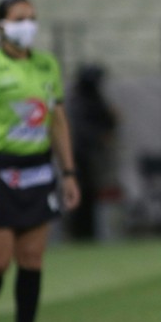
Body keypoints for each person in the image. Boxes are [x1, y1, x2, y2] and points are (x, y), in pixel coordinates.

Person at [0, 0, 80, 322]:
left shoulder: (47, 65)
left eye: (32, 17)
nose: (28, 24)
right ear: (1, 24)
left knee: (32, 258)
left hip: (38, 169)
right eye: (19, 18)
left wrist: (69, 172)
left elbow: (57, 121)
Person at [67, 64, 118, 240]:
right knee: (83, 192)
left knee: (97, 193)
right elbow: (82, 129)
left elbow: (108, 120)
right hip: (82, 154)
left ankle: (95, 231)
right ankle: (80, 232)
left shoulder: (96, 98)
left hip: (96, 155)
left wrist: (111, 119)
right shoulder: (78, 100)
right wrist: (99, 136)